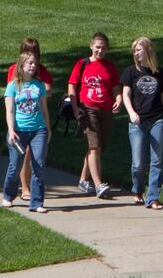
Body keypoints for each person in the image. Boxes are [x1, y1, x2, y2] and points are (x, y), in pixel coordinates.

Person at [121, 37, 163, 210]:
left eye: (139, 49)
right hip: (137, 122)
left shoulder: (159, 73)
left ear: (148, 50)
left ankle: (153, 198)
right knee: (138, 163)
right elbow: (125, 95)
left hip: (158, 120)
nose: (136, 53)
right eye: (134, 50)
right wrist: (131, 113)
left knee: (156, 161)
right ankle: (137, 190)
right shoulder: (130, 72)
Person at [67, 32, 122, 199]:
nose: (100, 50)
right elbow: (71, 86)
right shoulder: (82, 64)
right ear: (91, 46)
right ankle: (99, 185)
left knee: (96, 148)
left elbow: (115, 87)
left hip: (105, 110)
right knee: (94, 146)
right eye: (97, 47)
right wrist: (75, 108)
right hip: (87, 109)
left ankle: (83, 180)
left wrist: (118, 98)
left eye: (103, 48)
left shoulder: (110, 66)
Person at [2, 51, 52, 213]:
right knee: (14, 165)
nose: (33, 66)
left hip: (38, 130)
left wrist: (48, 129)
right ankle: (8, 195)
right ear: (21, 66)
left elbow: (44, 110)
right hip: (18, 131)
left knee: (39, 164)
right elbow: (9, 111)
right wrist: (11, 130)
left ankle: (37, 203)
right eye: (29, 63)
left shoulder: (39, 85)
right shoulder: (13, 86)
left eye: (34, 63)